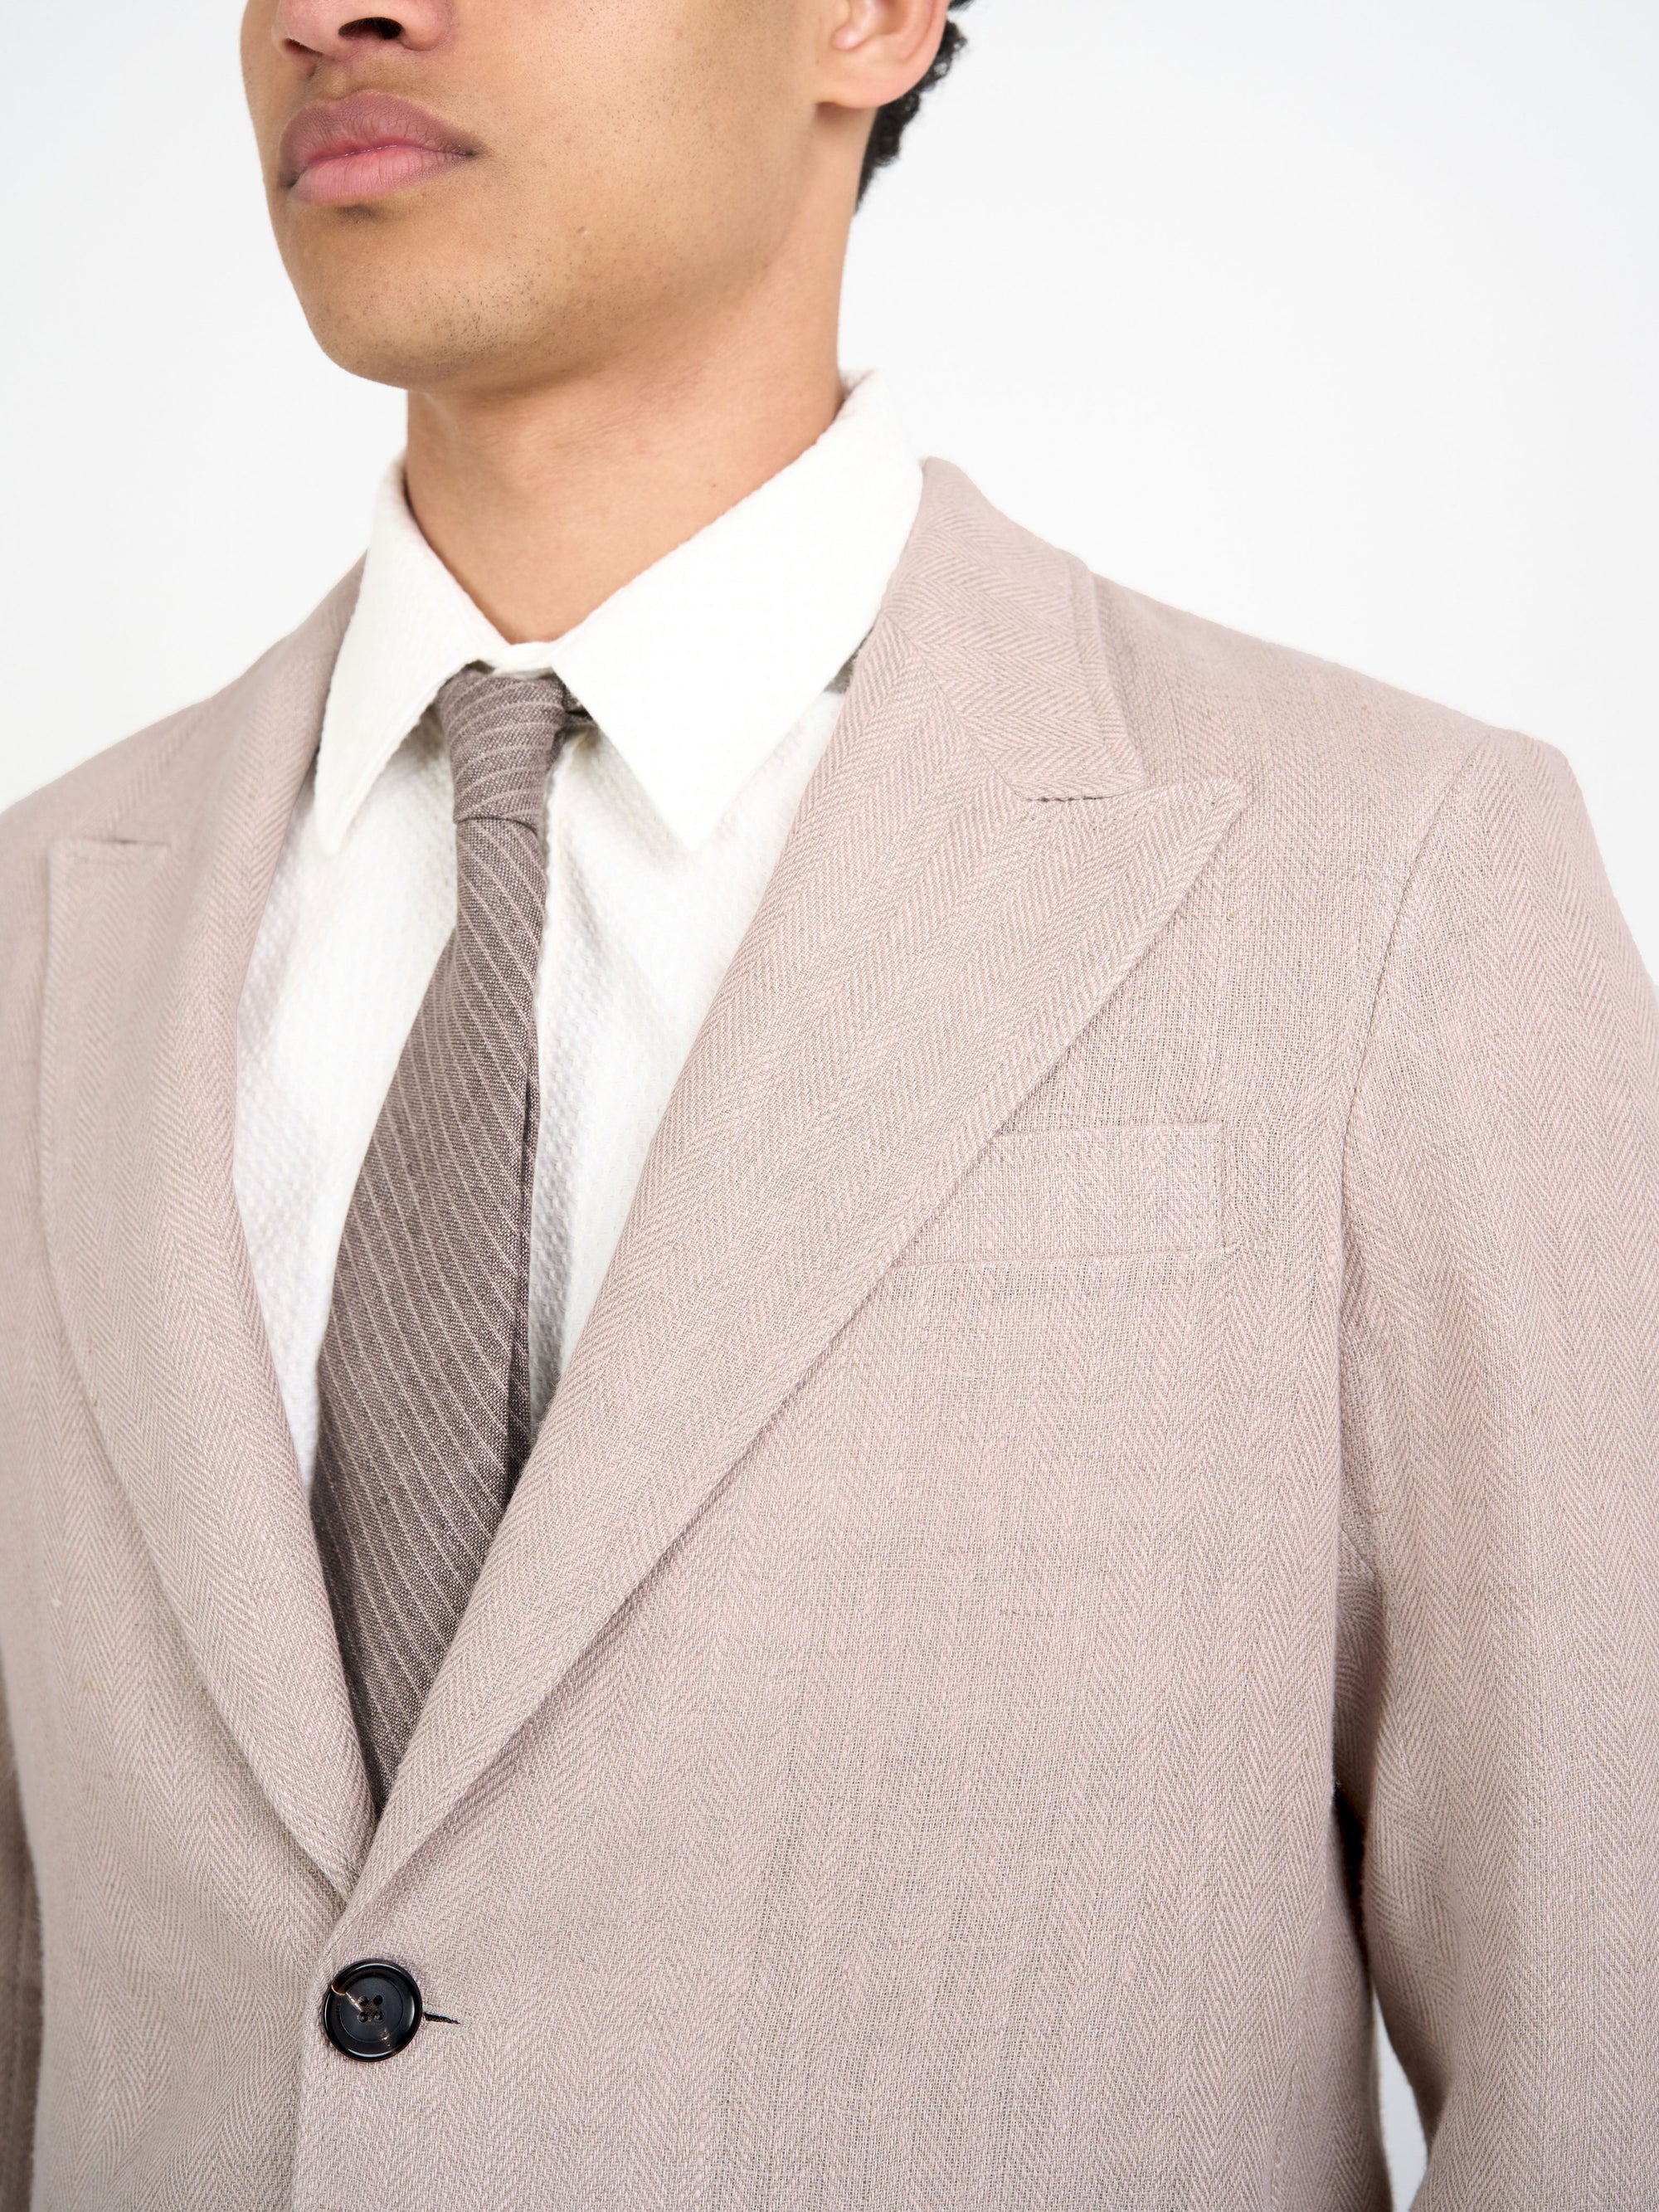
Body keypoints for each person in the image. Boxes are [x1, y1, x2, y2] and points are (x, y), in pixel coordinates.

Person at [0, 0, 1654, 2201]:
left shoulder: (1388, 878)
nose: (339, 8)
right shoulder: (45, 922)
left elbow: (1614, 2042)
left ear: (871, 18)